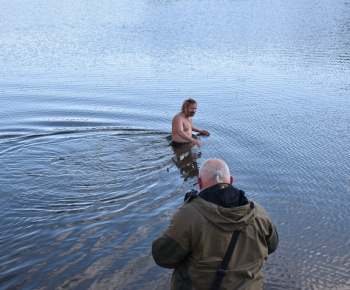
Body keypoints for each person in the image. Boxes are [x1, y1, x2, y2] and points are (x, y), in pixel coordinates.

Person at [152, 158, 279, 290]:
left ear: (199, 183)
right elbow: (272, 246)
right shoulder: (259, 213)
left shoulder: (189, 215)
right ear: (231, 180)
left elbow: (163, 257)